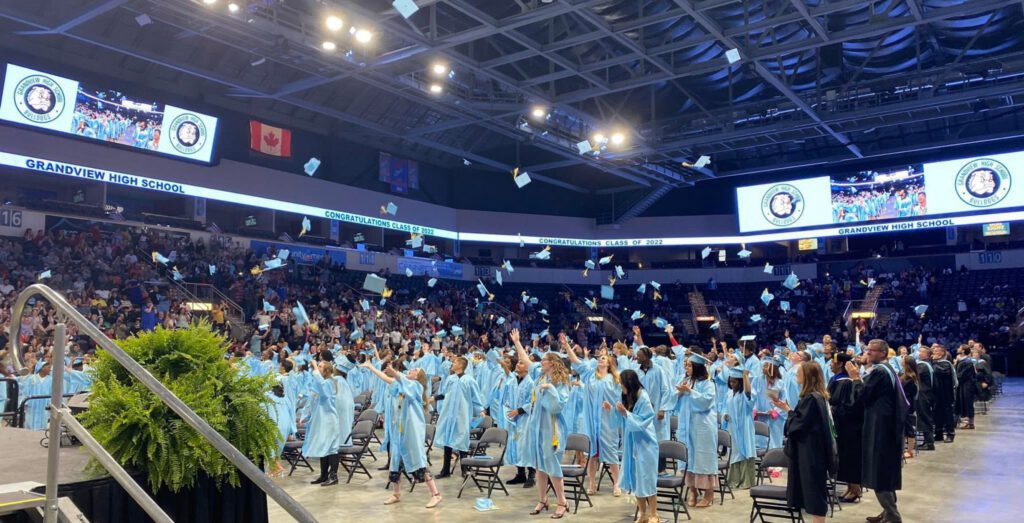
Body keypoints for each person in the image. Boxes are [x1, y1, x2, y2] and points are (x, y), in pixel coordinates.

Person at [361, 360, 443, 508]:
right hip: (399, 431)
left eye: (415, 370)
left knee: (418, 462)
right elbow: (387, 379)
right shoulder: (402, 385)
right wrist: (371, 367)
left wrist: (395, 373)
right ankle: (396, 494)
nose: (411, 370)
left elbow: (401, 379)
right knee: (396, 461)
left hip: (411, 431)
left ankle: (436, 494)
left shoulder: (416, 387)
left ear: (419, 377)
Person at [511, 329, 570, 519]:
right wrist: (518, 342)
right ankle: (543, 499)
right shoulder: (540, 375)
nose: (540, 362)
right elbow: (527, 361)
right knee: (539, 466)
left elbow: (558, 406)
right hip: (537, 426)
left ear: (552, 363)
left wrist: (551, 388)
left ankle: (562, 502)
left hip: (552, 428)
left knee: (552, 465)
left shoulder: (560, 381)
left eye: (543, 360)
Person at [848, 339, 906, 523]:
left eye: (872, 351)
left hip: (880, 428)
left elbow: (862, 396)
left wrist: (856, 378)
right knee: (884, 472)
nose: (868, 353)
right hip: (886, 425)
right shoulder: (887, 369)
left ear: (882, 353)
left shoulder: (880, 372)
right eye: (867, 350)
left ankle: (893, 516)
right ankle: (887, 513)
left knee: (879, 472)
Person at [772, 363, 835, 523]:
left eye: (799, 373)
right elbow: (803, 420)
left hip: (811, 454)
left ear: (807, 376)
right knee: (811, 490)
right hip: (812, 451)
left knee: (814, 492)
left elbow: (798, 426)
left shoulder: (812, 399)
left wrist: (791, 416)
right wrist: (788, 410)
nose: (796, 376)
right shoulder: (816, 397)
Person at [566, 340, 622, 496]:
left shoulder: (615, 380)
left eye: (603, 358)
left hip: (607, 420)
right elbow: (576, 362)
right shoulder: (591, 375)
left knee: (610, 453)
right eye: (599, 357)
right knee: (593, 453)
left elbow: (620, 400)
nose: (600, 359)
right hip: (592, 420)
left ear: (610, 363)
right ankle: (591, 483)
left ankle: (617, 483)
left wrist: (611, 408)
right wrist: (567, 347)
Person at [613, 369, 659, 523]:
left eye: (622, 383)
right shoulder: (630, 397)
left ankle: (654, 514)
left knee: (647, 479)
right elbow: (625, 420)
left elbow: (643, 421)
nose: (621, 386)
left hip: (646, 444)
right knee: (637, 480)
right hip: (633, 443)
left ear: (629, 383)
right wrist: (617, 411)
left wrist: (626, 413)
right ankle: (643, 514)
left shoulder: (643, 398)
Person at [674, 354, 718, 508]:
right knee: (688, 458)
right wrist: (679, 393)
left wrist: (690, 392)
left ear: (697, 367)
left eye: (689, 365)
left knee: (703, 458)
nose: (686, 368)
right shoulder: (685, 381)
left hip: (702, 427)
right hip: (686, 425)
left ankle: (709, 493)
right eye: (686, 365)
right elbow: (673, 400)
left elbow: (706, 402)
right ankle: (692, 490)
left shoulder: (708, 383)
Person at [433, 355, 484, 479]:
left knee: (462, 439)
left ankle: (464, 468)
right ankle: (445, 470)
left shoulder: (469, 380)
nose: (452, 364)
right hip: (449, 414)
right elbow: (445, 394)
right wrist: (433, 398)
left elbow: (475, 398)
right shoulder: (451, 379)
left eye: (454, 362)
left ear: (461, 365)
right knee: (447, 440)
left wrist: (480, 411)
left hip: (462, 414)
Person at [827, 352, 863, 502]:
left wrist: (833, 410)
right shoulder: (836, 380)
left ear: (840, 364)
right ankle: (850, 487)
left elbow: (849, 405)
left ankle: (855, 489)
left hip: (849, 426)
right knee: (844, 457)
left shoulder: (846, 382)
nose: (830, 364)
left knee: (851, 458)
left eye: (832, 362)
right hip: (840, 425)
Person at [301, 362, 342, 486]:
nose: (317, 369)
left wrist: (314, 369)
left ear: (327, 370)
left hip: (329, 420)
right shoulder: (320, 383)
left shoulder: (330, 383)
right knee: (323, 446)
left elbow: (324, 393)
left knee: (331, 447)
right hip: (320, 421)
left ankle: (333, 476)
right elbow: (311, 400)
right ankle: (323, 475)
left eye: (320, 367)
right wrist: (305, 416)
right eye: (317, 366)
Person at [504, 353, 537, 488]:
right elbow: (507, 399)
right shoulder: (512, 381)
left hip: (526, 419)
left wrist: (518, 410)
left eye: (521, 363)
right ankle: (520, 473)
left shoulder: (531, 382)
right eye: (518, 362)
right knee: (516, 444)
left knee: (527, 446)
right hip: (514, 419)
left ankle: (531, 475)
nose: (518, 364)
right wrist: (507, 410)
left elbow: (533, 402)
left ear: (528, 367)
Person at [724, 359, 756, 490]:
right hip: (733, 426)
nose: (732, 384)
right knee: (735, 451)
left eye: (735, 381)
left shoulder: (744, 394)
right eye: (730, 381)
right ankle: (734, 480)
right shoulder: (729, 393)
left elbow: (749, 393)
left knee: (745, 451)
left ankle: (746, 481)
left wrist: (746, 376)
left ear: (740, 382)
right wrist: (725, 415)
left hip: (745, 426)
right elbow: (725, 407)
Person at [931, 345, 957, 443]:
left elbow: (939, 371)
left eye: (936, 351)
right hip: (936, 394)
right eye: (933, 351)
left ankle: (950, 434)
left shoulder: (946, 364)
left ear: (942, 353)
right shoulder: (935, 363)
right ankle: (938, 434)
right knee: (937, 415)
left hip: (946, 394)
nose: (934, 353)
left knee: (948, 415)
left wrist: (933, 362)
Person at [914, 345, 936, 451]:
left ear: (927, 355)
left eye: (921, 352)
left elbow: (914, 376)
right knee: (924, 417)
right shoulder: (927, 364)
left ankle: (929, 443)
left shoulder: (922, 365)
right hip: (926, 394)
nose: (919, 353)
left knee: (925, 417)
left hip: (924, 395)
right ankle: (926, 441)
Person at [899, 356, 919, 459]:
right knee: (903, 428)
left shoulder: (910, 377)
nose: (901, 361)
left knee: (909, 428)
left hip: (908, 406)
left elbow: (908, 393)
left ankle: (910, 451)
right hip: (904, 405)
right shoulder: (903, 375)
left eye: (902, 360)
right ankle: (903, 449)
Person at [954, 345, 977, 430]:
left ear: (963, 351)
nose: (957, 349)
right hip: (963, 384)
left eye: (959, 348)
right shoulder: (963, 361)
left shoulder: (967, 362)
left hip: (967, 385)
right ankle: (969, 423)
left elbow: (962, 375)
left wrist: (954, 377)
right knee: (964, 402)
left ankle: (968, 422)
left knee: (967, 403)